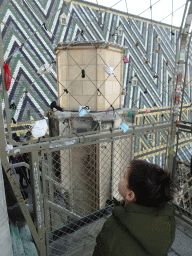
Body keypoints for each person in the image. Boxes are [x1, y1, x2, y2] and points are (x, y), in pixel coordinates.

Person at [92, 160, 176, 256]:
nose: (120, 178)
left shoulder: (113, 228)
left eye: (124, 177)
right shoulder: (167, 220)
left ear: (130, 195)